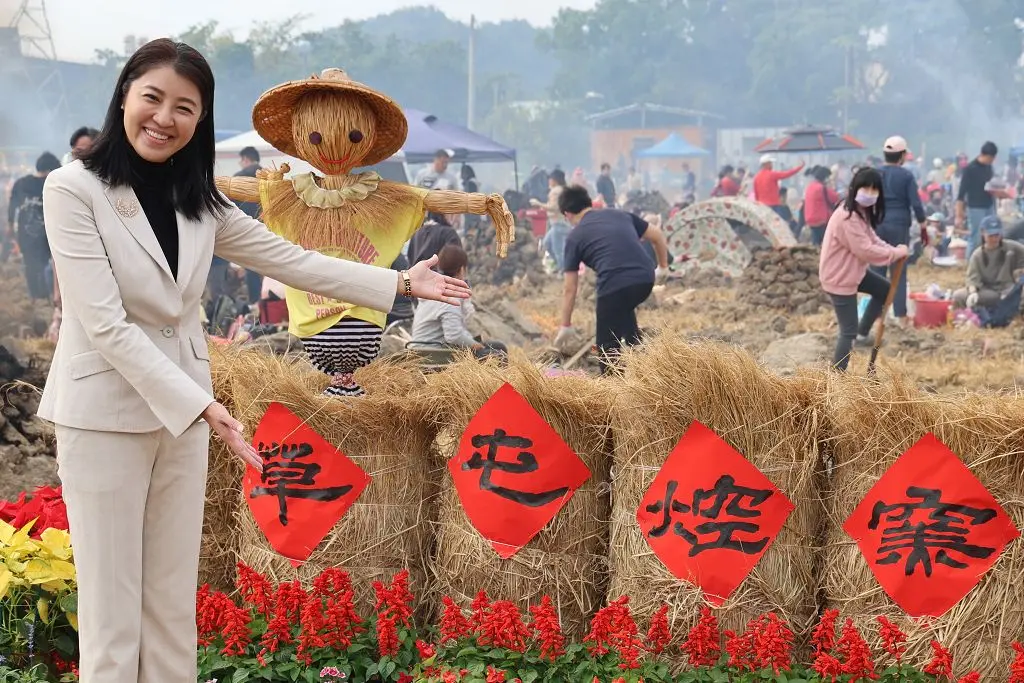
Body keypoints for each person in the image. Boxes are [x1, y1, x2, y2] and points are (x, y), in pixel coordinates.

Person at [39, 38, 470, 683]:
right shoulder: (73, 190)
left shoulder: (200, 200)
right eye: (152, 98)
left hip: (185, 422)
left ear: (200, 121)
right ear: (124, 96)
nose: (164, 118)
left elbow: (292, 260)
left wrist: (400, 284)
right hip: (108, 415)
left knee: (169, 606)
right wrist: (205, 404)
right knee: (111, 615)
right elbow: (104, 324)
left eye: (185, 108)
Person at [554, 186, 669, 371]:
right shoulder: (619, 215)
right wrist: (663, 267)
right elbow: (657, 235)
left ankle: (612, 385)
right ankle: (638, 351)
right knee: (623, 309)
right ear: (589, 203)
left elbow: (570, 288)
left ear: (567, 214)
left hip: (614, 285)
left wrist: (565, 325)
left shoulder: (575, 237)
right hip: (645, 279)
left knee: (607, 346)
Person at [819, 167, 908, 372]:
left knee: (885, 290)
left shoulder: (861, 213)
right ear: (855, 188)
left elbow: (872, 239)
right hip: (839, 278)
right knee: (846, 331)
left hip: (853, 273)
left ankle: (862, 332)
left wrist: (894, 250)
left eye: (873, 189)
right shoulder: (846, 217)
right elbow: (865, 251)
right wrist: (894, 255)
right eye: (865, 188)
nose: (869, 193)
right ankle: (837, 376)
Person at [411, 244, 507, 360]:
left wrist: (473, 342)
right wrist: (474, 345)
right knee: (498, 357)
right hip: (434, 356)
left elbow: (456, 331)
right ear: (462, 269)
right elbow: (454, 335)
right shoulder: (450, 296)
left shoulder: (437, 288)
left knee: (498, 347)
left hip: (427, 351)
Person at [870, 136, 927, 325]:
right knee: (898, 272)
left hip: (877, 224)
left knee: (877, 270)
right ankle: (901, 317)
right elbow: (916, 205)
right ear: (902, 156)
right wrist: (923, 224)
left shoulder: (874, 174)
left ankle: (877, 317)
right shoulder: (906, 176)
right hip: (899, 226)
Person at [8, 151, 61, 300]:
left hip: (26, 234)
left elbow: (12, 207)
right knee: (47, 265)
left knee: (31, 266)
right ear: (51, 170)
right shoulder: (53, 183)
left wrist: (10, 226)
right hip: (47, 235)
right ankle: (46, 296)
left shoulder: (21, 183)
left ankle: (35, 297)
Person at [952, 216, 1024, 310]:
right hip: (990, 292)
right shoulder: (978, 255)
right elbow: (973, 279)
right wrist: (973, 293)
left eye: (997, 235)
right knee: (958, 295)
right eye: (990, 235)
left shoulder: (1012, 247)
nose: (994, 239)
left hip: (1009, 290)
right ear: (983, 233)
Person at [956, 141, 999, 257]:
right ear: (985, 155)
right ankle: (970, 264)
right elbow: (961, 194)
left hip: (989, 205)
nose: (992, 161)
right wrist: (959, 214)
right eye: (991, 158)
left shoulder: (989, 168)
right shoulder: (970, 169)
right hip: (975, 207)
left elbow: (991, 185)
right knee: (975, 237)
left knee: (991, 235)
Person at [532, 169, 571, 271]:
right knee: (547, 244)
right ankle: (560, 266)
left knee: (558, 249)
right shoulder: (564, 190)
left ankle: (563, 270)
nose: (549, 181)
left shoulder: (556, 191)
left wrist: (538, 203)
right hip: (561, 223)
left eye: (550, 179)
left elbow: (554, 207)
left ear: (555, 180)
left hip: (559, 223)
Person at [753, 154, 805, 218]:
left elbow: (756, 195)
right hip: (773, 206)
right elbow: (786, 174)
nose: (772, 165)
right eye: (770, 163)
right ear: (766, 164)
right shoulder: (772, 174)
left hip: (761, 206)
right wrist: (799, 167)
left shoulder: (756, 177)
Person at [803, 165, 839, 245]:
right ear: (825, 177)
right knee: (826, 242)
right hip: (820, 220)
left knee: (816, 241)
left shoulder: (810, 186)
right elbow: (835, 197)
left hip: (810, 219)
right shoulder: (821, 188)